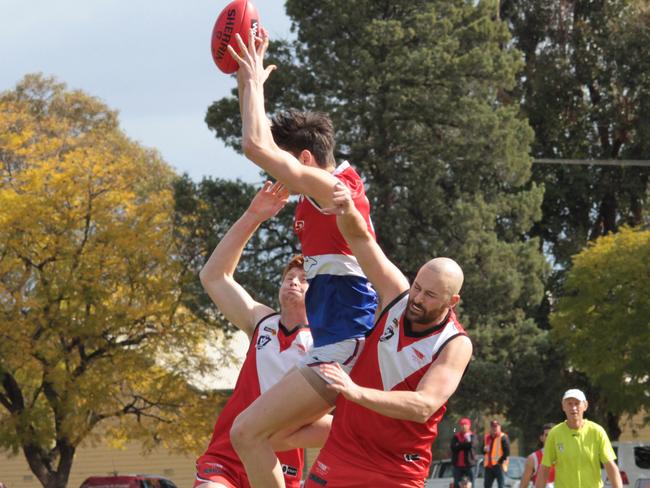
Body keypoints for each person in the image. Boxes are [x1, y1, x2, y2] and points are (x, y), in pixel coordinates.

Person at [226, 32, 378, 487]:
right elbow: (265, 149)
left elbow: (256, 146)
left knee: (247, 432)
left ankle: (362, 430)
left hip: (346, 347)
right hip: (338, 346)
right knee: (260, 434)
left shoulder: (334, 190)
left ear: (308, 159)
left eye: (285, 163)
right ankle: (360, 432)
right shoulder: (321, 193)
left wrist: (251, 80)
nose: (274, 174)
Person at [301, 182, 473, 487]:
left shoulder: (455, 344)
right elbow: (360, 239)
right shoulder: (397, 296)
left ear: (452, 301)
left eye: (430, 295)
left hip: (396, 471)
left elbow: (423, 406)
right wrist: (348, 208)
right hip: (343, 453)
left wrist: (355, 393)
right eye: (418, 286)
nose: (417, 298)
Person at [194, 182, 328, 488]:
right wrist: (254, 215)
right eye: (289, 277)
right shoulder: (261, 321)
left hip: (278, 459)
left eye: (304, 279)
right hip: (225, 456)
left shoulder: (327, 345)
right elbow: (213, 276)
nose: (293, 281)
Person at [535, 388, 623, 488]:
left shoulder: (597, 431)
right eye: (569, 404)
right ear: (563, 406)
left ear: (585, 405)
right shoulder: (555, 433)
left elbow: (610, 466)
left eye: (577, 403)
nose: (573, 408)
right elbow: (544, 468)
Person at [519, 423, 555, 487]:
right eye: (547, 435)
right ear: (541, 438)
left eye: (553, 435)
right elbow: (523, 485)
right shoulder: (533, 458)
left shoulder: (564, 456)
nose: (550, 438)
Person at [451, 417, 478, 488]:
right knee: (457, 484)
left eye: (465, 424)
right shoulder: (456, 436)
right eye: (462, 424)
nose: (463, 426)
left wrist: (460, 445)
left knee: (471, 484)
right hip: (458, 465)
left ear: (469, 425)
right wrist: (466, 444)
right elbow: (453, 447)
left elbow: (472, 445)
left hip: (470, 464)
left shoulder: (473, 435)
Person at [483, 420, 510, 488]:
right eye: (492, 426)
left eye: (496, 426)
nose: (494, 428)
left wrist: (500, 461)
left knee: (501, 486)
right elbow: (482, 450)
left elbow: (507, 452)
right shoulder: (487, 437)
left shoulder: (503, 437)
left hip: (499, 466)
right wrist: (484, 450)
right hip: (489, 466)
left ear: (499, 427)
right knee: (487, 486)